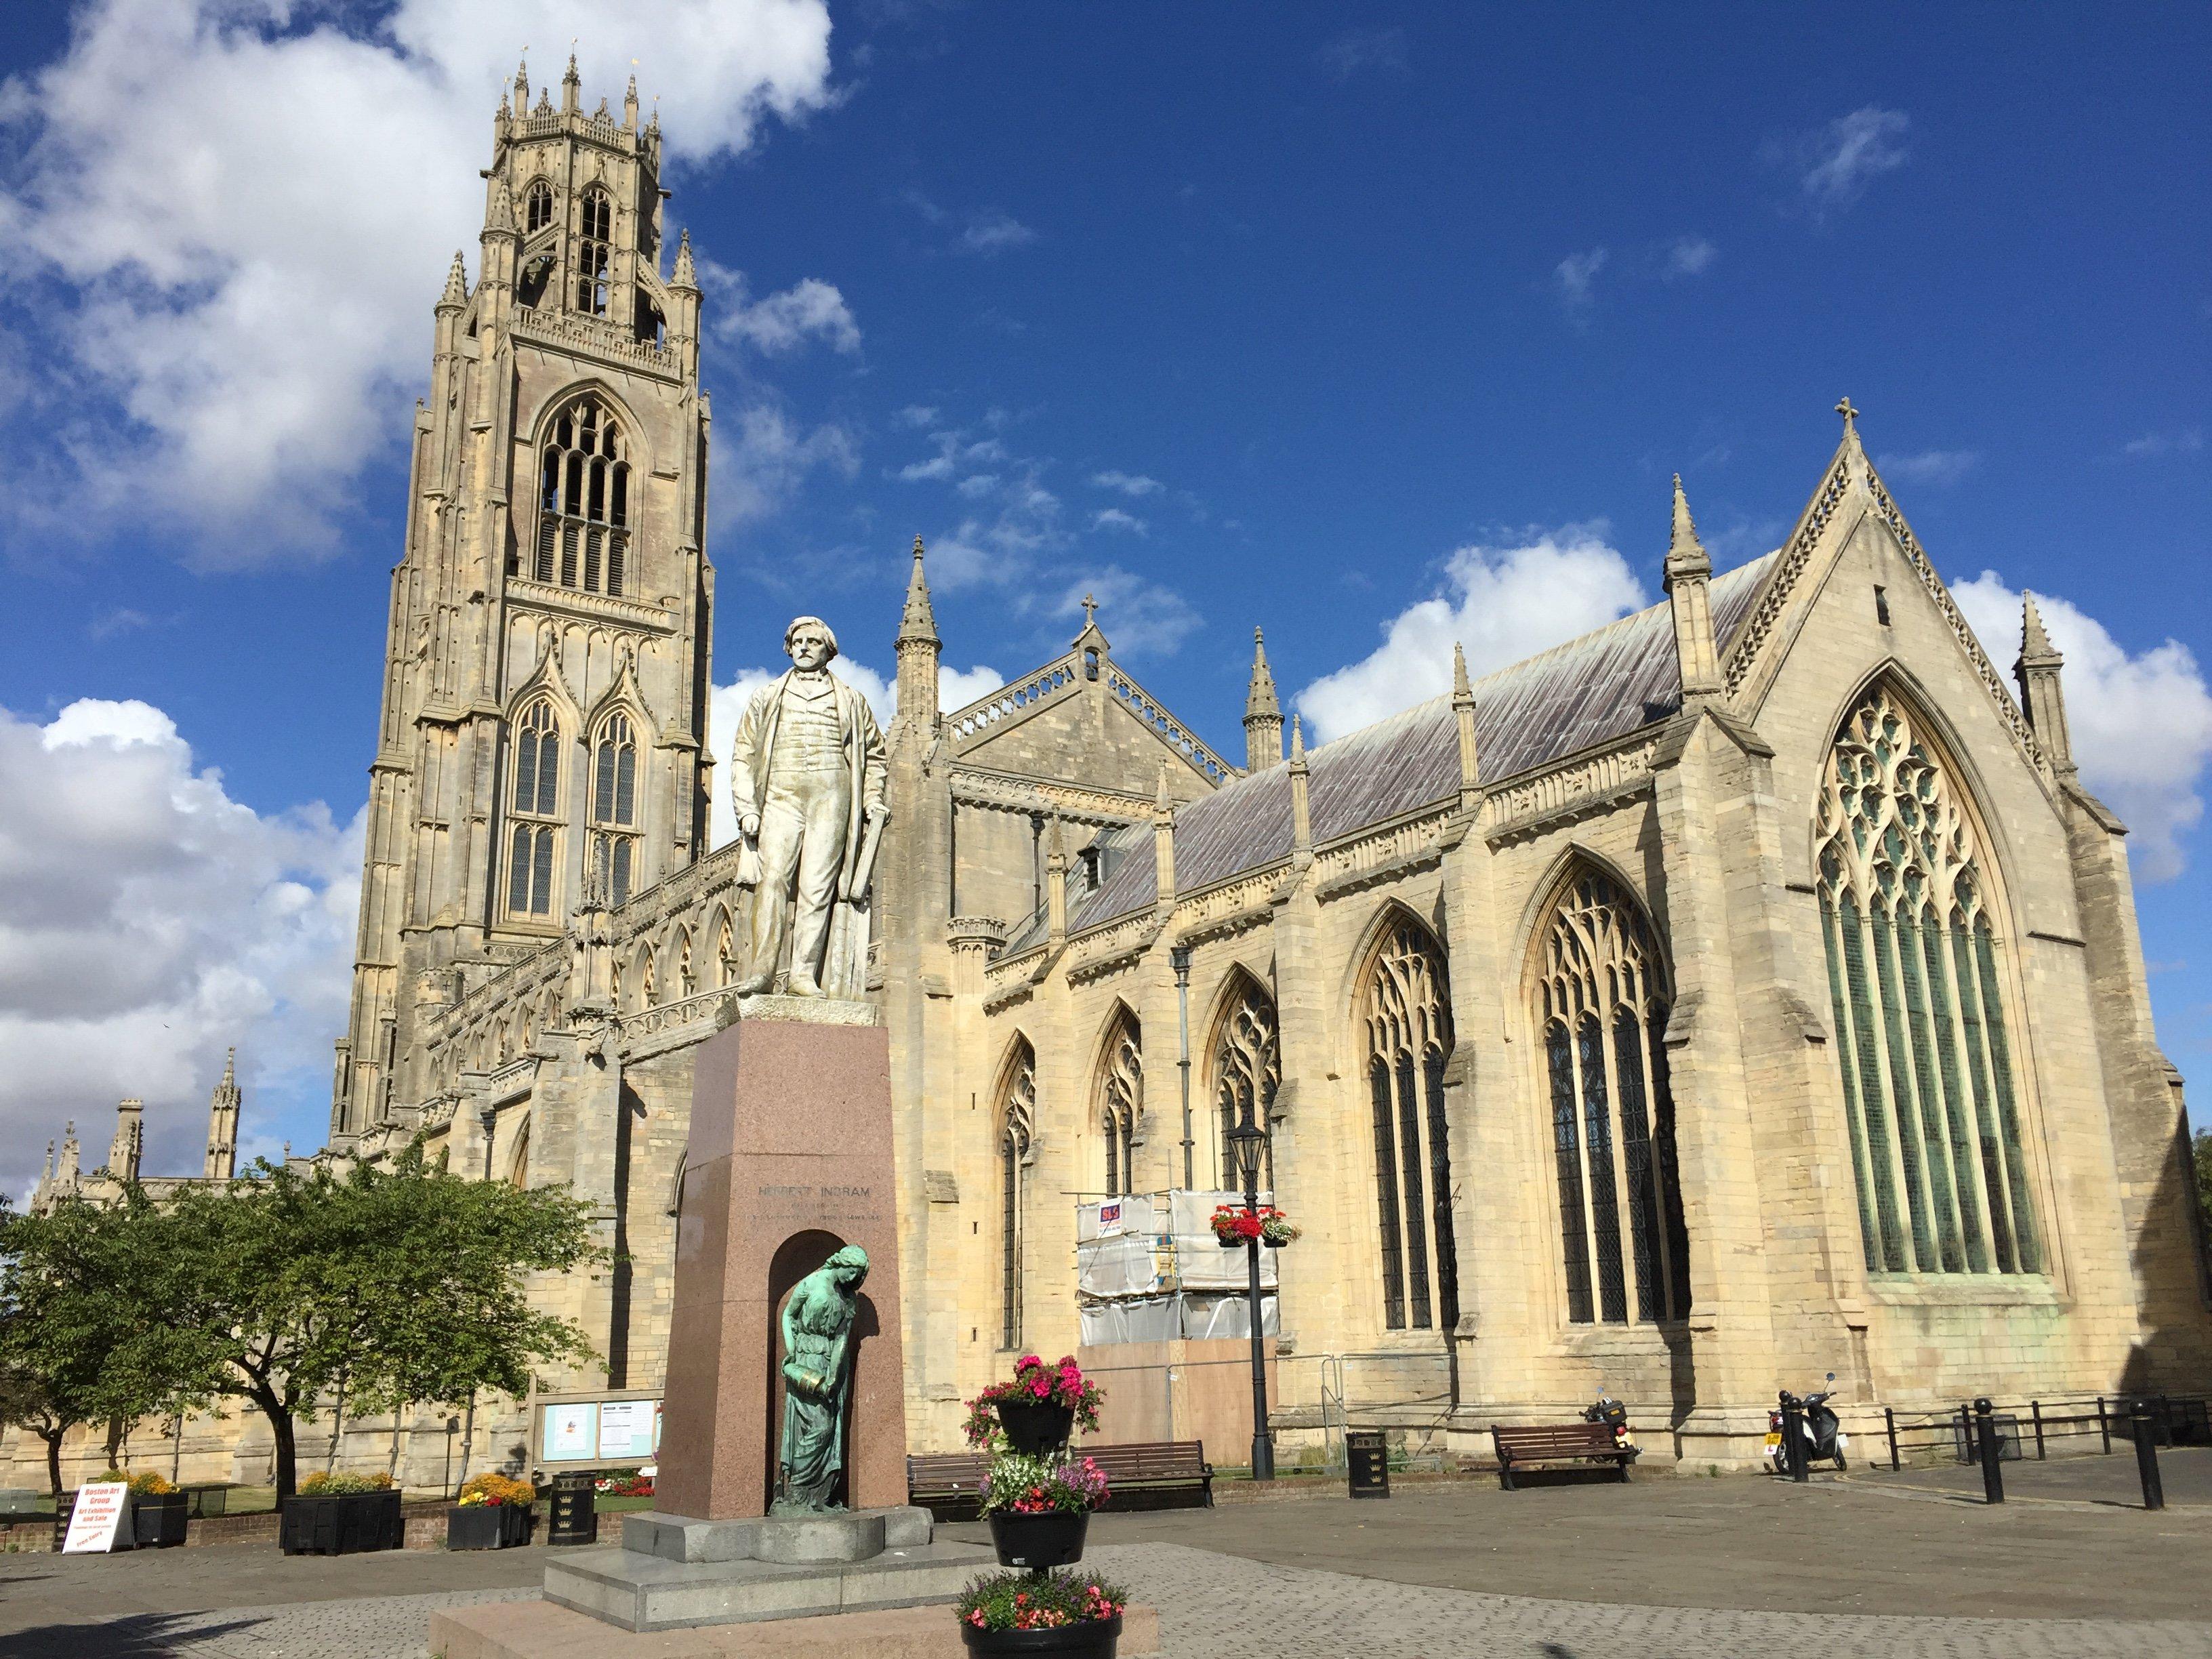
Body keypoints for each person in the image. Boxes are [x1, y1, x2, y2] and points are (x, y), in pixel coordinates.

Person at [726, 617, 887, 996]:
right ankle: (763, 973)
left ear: (828, 650)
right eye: (797, 641)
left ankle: (802, 975)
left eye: (813, 641)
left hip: (831, 794)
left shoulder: (851, 698)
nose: (803, 647)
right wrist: (747, 808)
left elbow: (876, 755)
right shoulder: (767, 696)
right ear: (788, 647)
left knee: (818, 887)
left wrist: (872, 798)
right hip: (780, 793)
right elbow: (743, 756)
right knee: (772, 881)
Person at [775, 1244, 869, 1513]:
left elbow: (842, 1338)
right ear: (841, 1263)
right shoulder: (811, 1283)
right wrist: (792, 1352)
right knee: (820, 1427)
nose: (853, 1279)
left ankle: (817, 1496)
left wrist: (832, 1378)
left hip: (832, 1365)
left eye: (858, 1275)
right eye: (852, 1272)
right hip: (805, 1358)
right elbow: (788, 1314)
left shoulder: (849, 1299)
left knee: (830, 1430)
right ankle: (796, 1490)